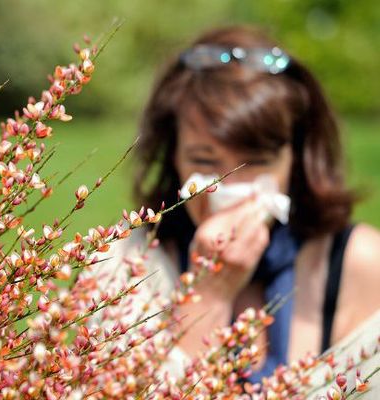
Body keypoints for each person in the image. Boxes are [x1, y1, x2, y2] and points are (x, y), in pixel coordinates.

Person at [126, 25, 380, 381]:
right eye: (204, 160)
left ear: (297, 159)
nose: (229, 186)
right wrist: (209, 295)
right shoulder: (132, 267)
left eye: (257, 162)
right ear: (173, 160)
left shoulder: (361, 265)